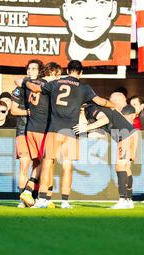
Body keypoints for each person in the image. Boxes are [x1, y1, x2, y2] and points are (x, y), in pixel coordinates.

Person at [25, 60, 116, 209]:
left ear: (67, 70)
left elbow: (36, 89)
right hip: (71, 131)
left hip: (54, 128)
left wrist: (26, 82)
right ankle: (65, 201)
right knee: (67, 166)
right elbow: (100, 101)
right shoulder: (85, 87)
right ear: (81, 72)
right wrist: (115, 105)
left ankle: (42, 199)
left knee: (47, 163)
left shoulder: (55, 83)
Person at [15, 61, 63, 209]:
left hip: (30, 128)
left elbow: (18, 81)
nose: (59, 78)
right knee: (46, 162)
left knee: (40, 163)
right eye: (58, 74)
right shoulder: (50, 86)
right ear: (52, 73)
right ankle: (29, 191)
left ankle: (45, 197)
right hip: (43, 129)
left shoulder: (29, 82)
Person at [75, 103, 139, 209]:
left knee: (120, 166)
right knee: (126, 167)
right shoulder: (96, 111)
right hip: (132, 133)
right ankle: (129, 200)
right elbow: (99, 133)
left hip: (125, 134)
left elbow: (104, 120)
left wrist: (86, 127)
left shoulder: (90, 108)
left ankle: (122, 200)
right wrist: (86, 132)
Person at [10, 59, 44, 208]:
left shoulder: (44, 87)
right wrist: (28, 112)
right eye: (29, 69)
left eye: (34, 69)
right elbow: (13, 110)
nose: (30, 71)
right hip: (23, 129)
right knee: (24, 165)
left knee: (40, 163)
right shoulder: (20, 88)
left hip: (38, 130)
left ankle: (32, 196)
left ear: (39, 71)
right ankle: (22, 200)